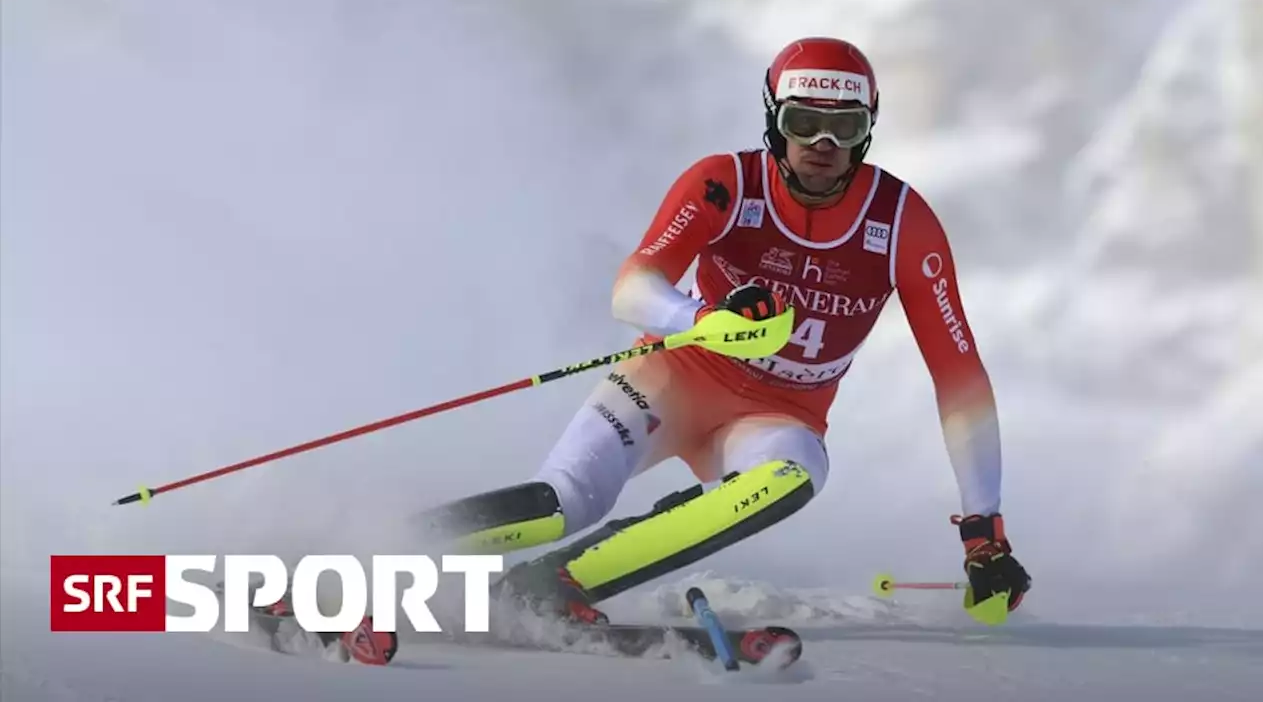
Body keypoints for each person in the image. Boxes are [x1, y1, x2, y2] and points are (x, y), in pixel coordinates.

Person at [417, 36, 1031, 625]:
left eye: (843, 127)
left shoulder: (903, 223)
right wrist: (703, 322)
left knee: (796, 473)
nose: (821, 143)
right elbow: (630, 288)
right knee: (562, 503)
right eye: (801, 122)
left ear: (867, 130)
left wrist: (985, 530)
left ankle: (558, 583)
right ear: (772, 119)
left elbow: (959, 377)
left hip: (778, 415)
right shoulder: (726, 184)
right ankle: (389, 547)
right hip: (673, 379)